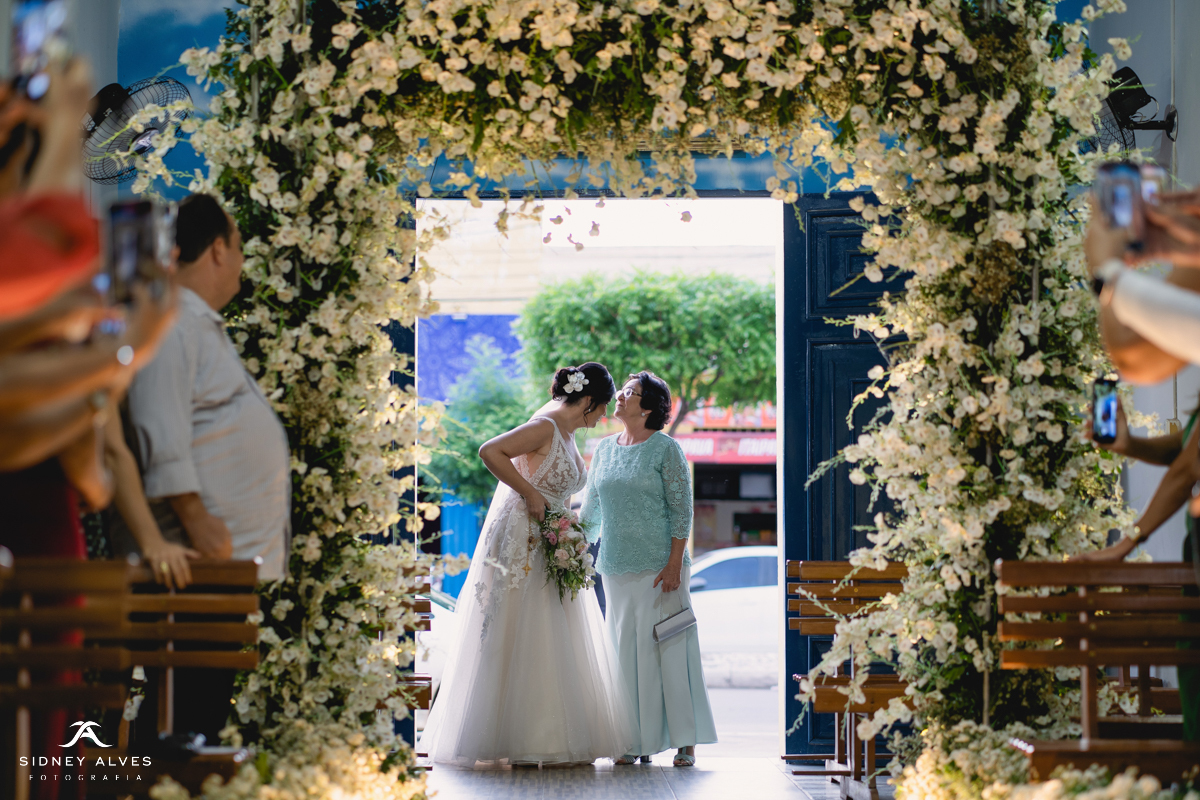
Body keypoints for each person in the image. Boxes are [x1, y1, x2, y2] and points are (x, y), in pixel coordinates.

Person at [114, 193, 291, 744]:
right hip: (193, 557)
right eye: (238, 248)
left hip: (215, 559)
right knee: (185, 717)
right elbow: (157, 425)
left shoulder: (194, 321)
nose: (241, 261)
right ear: (217, 249)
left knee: (199, 709)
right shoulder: (173, 320)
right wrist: (195, 515)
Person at [422, 363, 634, 766]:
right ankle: (517, 737)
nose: (603, 416)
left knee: (553, 632)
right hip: (525, 537)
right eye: (602, 407)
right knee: (523, 627)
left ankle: (552, 735)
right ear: (588, 402)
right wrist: (529, 493)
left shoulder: (568, 433)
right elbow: (490, 451)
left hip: (552, 536)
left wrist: (567, 529)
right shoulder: (545, 425)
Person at [581, 371, 717, 768]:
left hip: (662, 569)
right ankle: (630, 738)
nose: (619, 397)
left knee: (669, 648)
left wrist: (675, 562)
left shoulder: (665, 449)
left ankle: (685, 740)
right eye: (623, 391)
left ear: (648, 407)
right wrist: (569, 543)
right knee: (624, 653)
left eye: (629, 393)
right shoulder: (603, 449)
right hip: (615, 567)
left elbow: (682, 509)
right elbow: (591, 510)